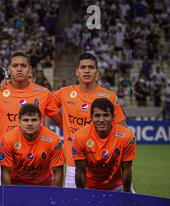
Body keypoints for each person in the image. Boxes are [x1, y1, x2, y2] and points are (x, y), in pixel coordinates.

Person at [53, 52, 127, 188]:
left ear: (98, 73)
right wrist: (5, 85)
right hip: (73, 167)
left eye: (91, 67)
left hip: (104, 167)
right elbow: (42, 102)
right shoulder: (65, 93)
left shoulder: (109, 97)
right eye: (83, 67)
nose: (87, 70)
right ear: (77, 72)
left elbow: (123, 133)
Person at [0, 52, 63, 140]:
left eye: (23, 66)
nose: (19, 69)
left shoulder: (43, 93)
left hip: (36, 149)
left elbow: (61, 123)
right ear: (9, 69)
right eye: (15, 66)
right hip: (6, 150)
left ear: (29, 70)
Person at [73, 98, 136, 192]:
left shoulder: (127, 136)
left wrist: (126, 195)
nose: (101, 120)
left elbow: (126, 169)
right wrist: (82, 195)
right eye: (97, 115)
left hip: (117, 187)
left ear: (113, 117)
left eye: (106, 115)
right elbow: (80, 171)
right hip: (90, 187)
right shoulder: (80, 136)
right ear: (91, 117)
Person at [0, 104, 64, 186]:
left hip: (44, 183)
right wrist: (9, 195)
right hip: (16, 183)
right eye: (26, 120)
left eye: (34, 120)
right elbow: (5, 172)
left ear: (41, 121)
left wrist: (54, 196)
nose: (30, 124)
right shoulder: (8, 139)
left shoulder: (53, 139)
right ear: (19, 121)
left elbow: (58, 172)